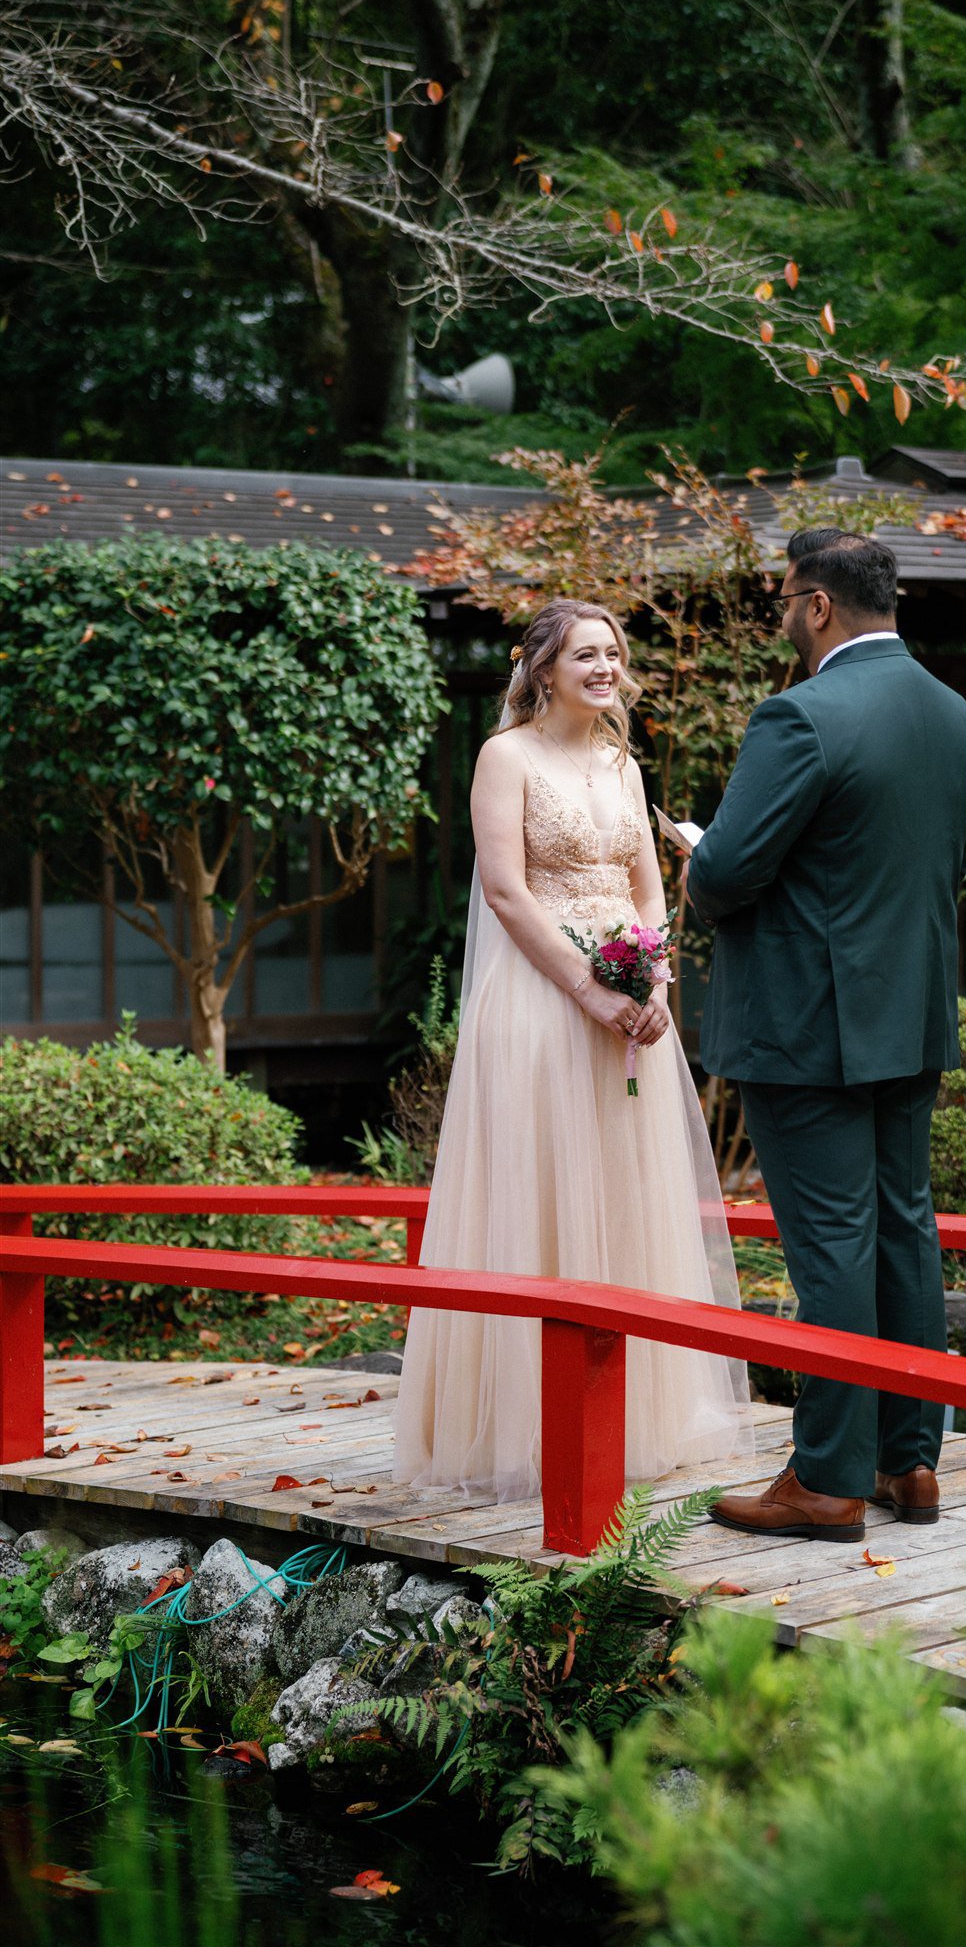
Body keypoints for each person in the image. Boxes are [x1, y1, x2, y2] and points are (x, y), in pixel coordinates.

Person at [392, 598, 751, 1503]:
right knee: (541, 1191)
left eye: (614, 654)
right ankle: (520, 1422)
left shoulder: (620, 762)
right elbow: (508, 893)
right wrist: (587, 988)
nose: (604, 668)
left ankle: (638, 1414)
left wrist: (656, 988)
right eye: (585, 654)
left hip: (629, 1010)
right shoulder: (503, 757)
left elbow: (648, 887)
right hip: (543, 999)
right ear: (542, 666)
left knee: (625, 1195)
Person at [686, 529, 966, 1544]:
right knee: (905, 1230)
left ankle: (825, 1480)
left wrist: (694, 859)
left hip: (805, 1027)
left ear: (816, 605)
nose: (782, 614)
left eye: (784, 598)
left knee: (832, 1253)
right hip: (910, 1014)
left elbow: (728, 873)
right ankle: (911, 1458)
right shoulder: (956, 719)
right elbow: (943, 866)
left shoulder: (800, 717)